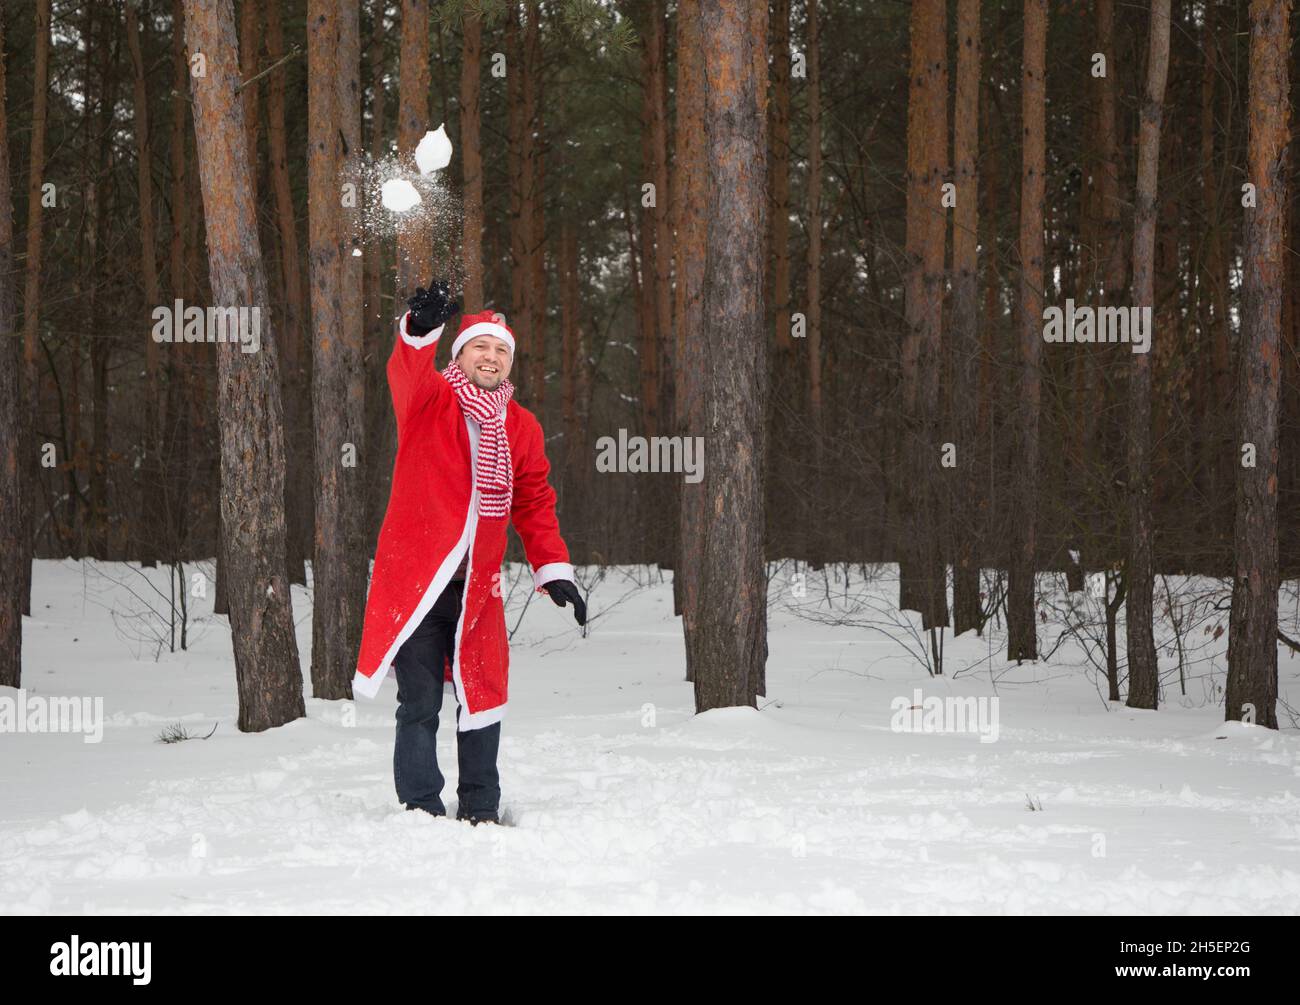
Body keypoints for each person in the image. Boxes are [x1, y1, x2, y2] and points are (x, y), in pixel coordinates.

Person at [352, 280, 586, 825]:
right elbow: (407, 364)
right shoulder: (430, 400)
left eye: (502, 350)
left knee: (482, 694)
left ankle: (481, 805)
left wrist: (553, 571)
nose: (492, 356)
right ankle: (421, 806)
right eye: (481, 346)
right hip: (418, 581)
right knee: (420, 701)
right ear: (459, 354)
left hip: (479, 582)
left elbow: (533, 501)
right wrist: (419, 327)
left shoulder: (520, 425)